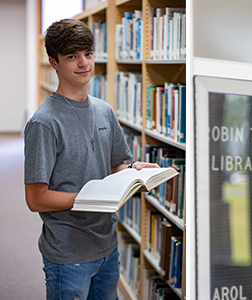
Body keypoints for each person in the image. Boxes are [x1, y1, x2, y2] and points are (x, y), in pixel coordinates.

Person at [24, 19, 159, 300]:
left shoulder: (105, 111)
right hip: (68, 254)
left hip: (107, 247)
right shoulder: (44, 123)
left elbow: (115, 165)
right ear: (54, 62)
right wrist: (89, 196)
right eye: (72, 56)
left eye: (88, 53)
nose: (83, 63)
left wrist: (135, 171)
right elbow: (36, 198)